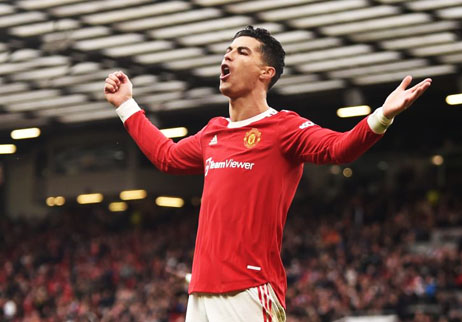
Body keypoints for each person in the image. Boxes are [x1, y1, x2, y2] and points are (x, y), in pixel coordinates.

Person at [104, 26, 431, 322]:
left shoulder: (284, 128)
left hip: (250, 288)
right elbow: (166, 157)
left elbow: (339, 149)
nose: (229, 55)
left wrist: (382, 116)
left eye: (242, 51)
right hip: (201, 292)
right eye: (228, 50)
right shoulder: (213, 133)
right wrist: (126, 106)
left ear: (266, 73)